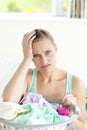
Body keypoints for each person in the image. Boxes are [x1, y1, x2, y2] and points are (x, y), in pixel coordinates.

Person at [2, 29, 86, 130]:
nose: (44, 60)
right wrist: (26, 59)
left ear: (55, 48)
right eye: (36, 55)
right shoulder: (28, 77)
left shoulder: (75, 83)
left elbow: (81, 127)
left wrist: (70, 113)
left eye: (48, 52)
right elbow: (8, 101)